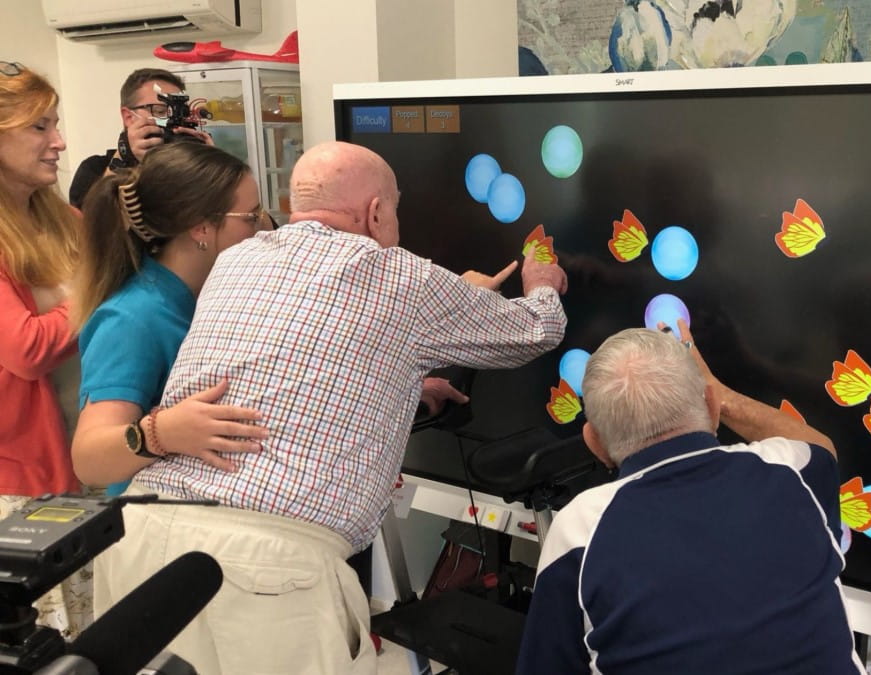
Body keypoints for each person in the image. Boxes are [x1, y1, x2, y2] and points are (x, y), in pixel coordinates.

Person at [92, 141, 569, 674]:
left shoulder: (235, 260)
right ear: (376, 212)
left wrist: (400, 382)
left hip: (141, 543)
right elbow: (535, 332)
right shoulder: (401, 277)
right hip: (264, 570)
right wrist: (543, 285)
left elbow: (291, 366)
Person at [517, 320, 865, 674]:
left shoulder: (580, 530)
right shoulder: (790, 472)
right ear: (711, 406)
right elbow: (820, 447)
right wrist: (720, 394)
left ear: (594, 443)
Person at [71, 142, 271, 496]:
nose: (263, 231)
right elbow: (89, 460)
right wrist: (163, 433)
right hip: (156, 525)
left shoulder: (211, 295)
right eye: (251, 218)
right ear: (200, 228)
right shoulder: (132, 318)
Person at [0, 60, 89, 637]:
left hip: (91, 455)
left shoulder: (67, 220)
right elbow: (27, 351)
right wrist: (97, 282)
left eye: (56, 124)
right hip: (24, 484)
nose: (59, 142)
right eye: (39, 127)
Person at [67, 68, 209, 208]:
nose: (172, 122)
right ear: (128, 117)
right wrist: (123, 159)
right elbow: (88, 224)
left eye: (180, 113)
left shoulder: (189, 169)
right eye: (160, 111)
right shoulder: (95, 168)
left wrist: (210, 166)